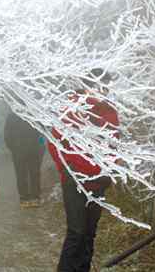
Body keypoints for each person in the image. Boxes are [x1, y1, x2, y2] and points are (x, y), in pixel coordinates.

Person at [47, 69, 120, 272]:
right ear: (89, 84)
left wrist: (110, 169)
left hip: (99, 180)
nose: (105, 89)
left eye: (107, 84)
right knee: (76, 232)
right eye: (101, 84)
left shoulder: (109, 111)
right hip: (74, 179)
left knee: (89, 233)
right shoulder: (72, 107)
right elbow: (54, 142)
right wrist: (67, 169)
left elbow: (114, 144)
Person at [4, 109, 46, 208]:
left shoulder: (12, 115)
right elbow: (41, 132)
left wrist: (12, 147)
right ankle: (35, 198)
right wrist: (41, 147)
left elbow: (7, 135)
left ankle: (24, 199)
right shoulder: (35, 113)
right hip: (34, 149)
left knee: (20, 174)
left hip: (18, 150)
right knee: (34, 173)